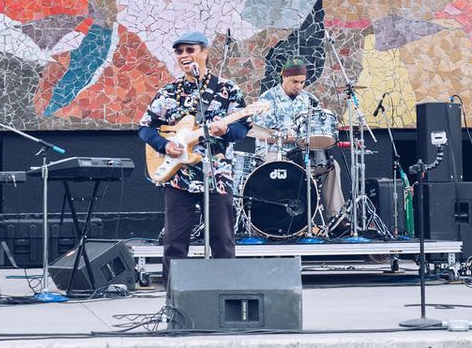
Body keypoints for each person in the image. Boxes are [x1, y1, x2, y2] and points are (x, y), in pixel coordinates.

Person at [138, 31, 250, 285]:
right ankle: (173, 296)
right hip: (179, 176)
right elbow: (145, 127)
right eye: (180, 52)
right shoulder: (169, 92)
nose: (185, 56)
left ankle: (225, 293)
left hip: (217, 174)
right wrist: (165, 146)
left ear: (205, 52)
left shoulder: (226, 89)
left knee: (222, 239)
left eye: (190, 50)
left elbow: (243, 128)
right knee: (175, 241)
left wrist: (227, 130)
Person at [252, 58, 345, 219]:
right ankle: (272, 217)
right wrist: (286, 136)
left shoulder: (309, 99)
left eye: (302, 82)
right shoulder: (267, 99)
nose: (299, 86)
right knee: (272, 163)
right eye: (295, 81)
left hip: (303, 153)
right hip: (275, 152)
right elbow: (262, 133)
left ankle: (336, 217)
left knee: (332, 166)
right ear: (284, 77)